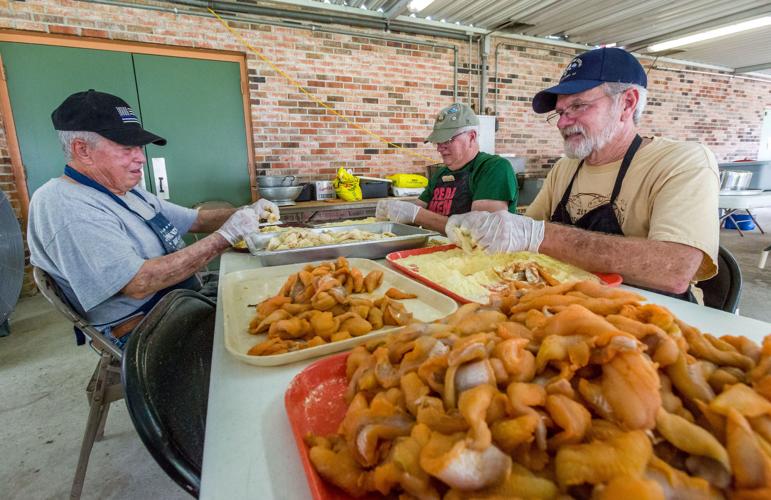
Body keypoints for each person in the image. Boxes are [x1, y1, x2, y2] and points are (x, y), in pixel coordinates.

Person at [446, 48, 719, 300]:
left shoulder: (682, 162)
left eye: (578, 106)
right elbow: (521, 245)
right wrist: (482, 231)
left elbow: (674, 269)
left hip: (649, 314)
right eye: (561, 112)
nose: (563, 122)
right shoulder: (565, 168)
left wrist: (539, 236)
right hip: (568, 305)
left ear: (627, 104)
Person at [27, 89, 277, 348]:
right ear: (83, 150)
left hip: (183, 297)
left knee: (276, 292)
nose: (140, 158)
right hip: (145, 327)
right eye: (126, 148)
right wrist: (226, 236)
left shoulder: (127, 190)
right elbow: (138, 283)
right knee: (278, 329)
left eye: (139, 147)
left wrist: (247, 211)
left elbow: (196, 220)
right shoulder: (66, 204)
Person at [376, 102, 518, 233]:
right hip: (437, 255)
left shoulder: (493, 168)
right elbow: (414, 213)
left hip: (478, 258)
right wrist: (393, 212)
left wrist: (416, 215)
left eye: (447, 140)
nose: (439, 148)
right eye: (437, 141)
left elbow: (480, 231)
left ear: (472, 137)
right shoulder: (441, 174)